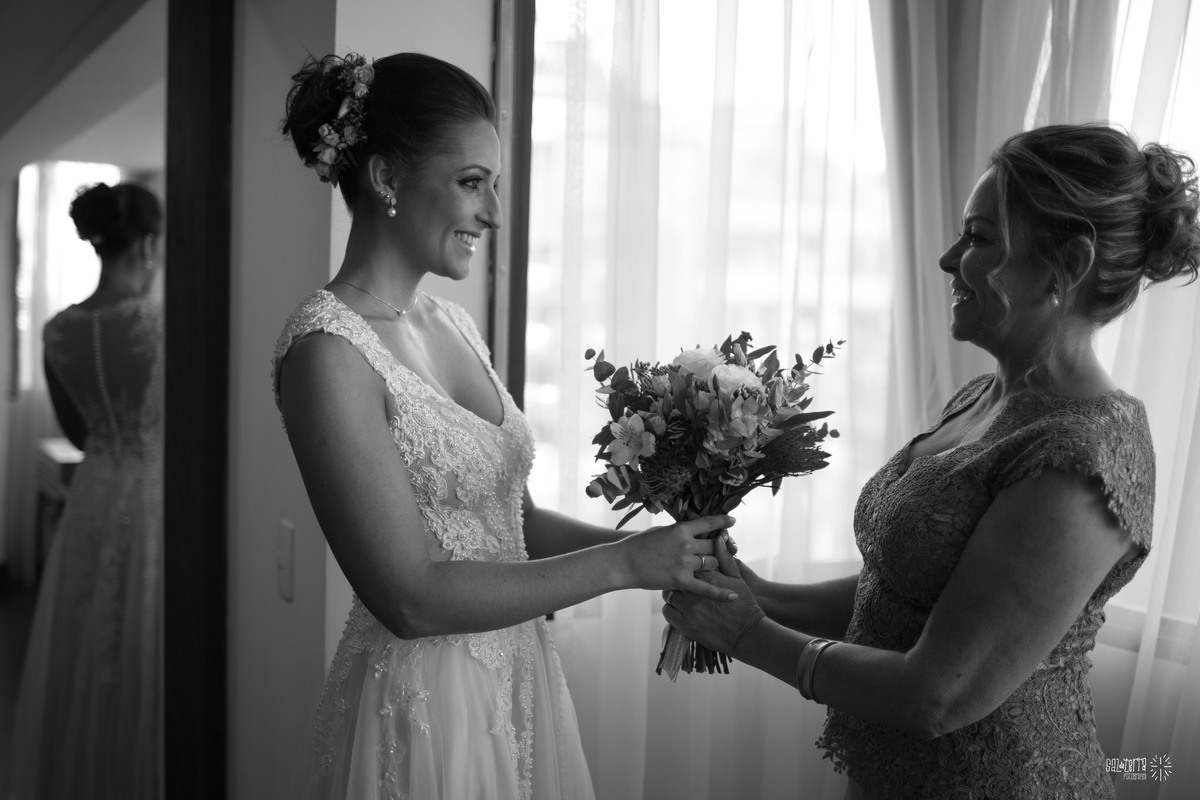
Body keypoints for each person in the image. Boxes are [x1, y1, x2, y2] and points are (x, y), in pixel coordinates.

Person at [662, 123, 1200, 799]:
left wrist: (749, 633)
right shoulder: (984, 396)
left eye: (978, 238)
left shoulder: (1080, 459)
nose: (949, 259)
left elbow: (937, 696)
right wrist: (759, 591)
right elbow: (899, 593)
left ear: (1066, 262)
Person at [274, 51, 735, 800]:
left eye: (495, 184)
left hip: (519, 679)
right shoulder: (327, 353)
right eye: (471, 183)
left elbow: (509, 523)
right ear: (387, 179)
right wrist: (624, 569)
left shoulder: (453, 324)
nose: (492, 213)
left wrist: (659, 551)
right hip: (427, 708)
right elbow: (409, 597)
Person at [7, 182, 164, 799]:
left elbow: (77, 431)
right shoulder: (159, 326)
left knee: (84, 638)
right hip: (152, 497)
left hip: (95, 493)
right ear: (148, 245)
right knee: (143, 647)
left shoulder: (56, 331)